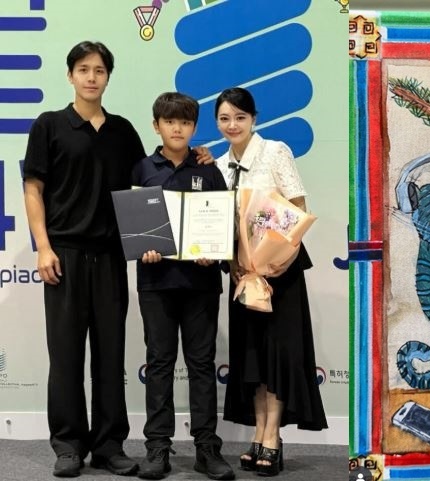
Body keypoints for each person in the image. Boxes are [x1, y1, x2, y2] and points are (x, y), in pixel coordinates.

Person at [22, 41, 211, 479]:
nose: (91, 77)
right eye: (83, 69)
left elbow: (151, 179)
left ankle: (109, 445)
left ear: (108, 77)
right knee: (66, 355)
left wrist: (200, 157)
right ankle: (69, 444)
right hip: (65, 255)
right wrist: (43, 247)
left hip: (110, 256)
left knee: (110, 355)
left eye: (100, 70)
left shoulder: (123, 131)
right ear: (70, 75)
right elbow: (33, 189)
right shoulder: (49, 125)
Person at [214, 87, 327, 477]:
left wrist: (276, 259)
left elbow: (298, 208)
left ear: (254, 119)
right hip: (244, 275)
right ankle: (258, 433)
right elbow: (222, 225)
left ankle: (272, 438)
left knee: (278, 356)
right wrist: (235, 264)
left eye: (240, 117)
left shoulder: (275, 152)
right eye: (225, 118)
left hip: (281, 272)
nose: (233, 125)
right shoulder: (219, 166)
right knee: (253, 358)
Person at [131, 92, 235, 481]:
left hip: (201, 283)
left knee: (201, 365)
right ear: (156, 125)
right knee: (159, 363)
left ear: (194, 127)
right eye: (170, 121)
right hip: (156, 283)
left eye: (186, 122)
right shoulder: (143, 169)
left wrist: (215, 252)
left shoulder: (208, 169)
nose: (178, 128)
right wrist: (144, 248)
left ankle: (207, 448)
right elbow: (135, 223)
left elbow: (224, 223)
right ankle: (157, 448)